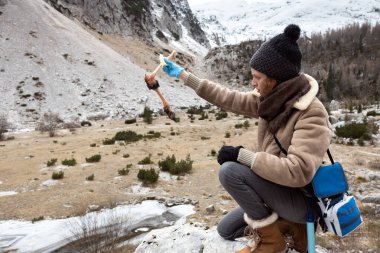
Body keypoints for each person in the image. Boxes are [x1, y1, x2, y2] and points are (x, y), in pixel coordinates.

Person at [161, 24, 332, 253]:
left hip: (301, 201)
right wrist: (185, 76)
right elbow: (229, 98)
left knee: (229, 171)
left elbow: (298, 171)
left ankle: (273, 243)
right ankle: (290, 229)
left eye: (257, 77)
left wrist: (244, 156)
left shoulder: (311, 112)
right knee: (227, 230)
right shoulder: (271, 99)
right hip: (276, 189)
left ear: (276, 79)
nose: (253, 83)